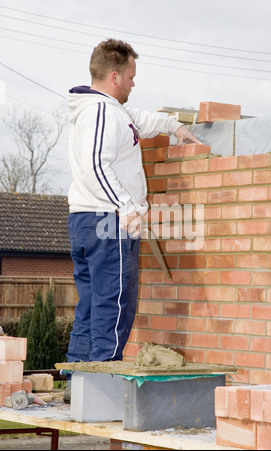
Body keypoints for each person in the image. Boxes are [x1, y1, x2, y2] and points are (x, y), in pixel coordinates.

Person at [65, 38, 201, 373]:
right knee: (115, 304)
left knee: (92, 304)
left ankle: (78, 379)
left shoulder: (107, 111)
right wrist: (125, 207)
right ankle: (102, 380)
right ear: (114, 76)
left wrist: (175, 127)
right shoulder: (101, 112)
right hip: (108, 220)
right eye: (130, 76)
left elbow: (136, 121)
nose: (133, 82)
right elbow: (96, 164)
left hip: (87, 218)